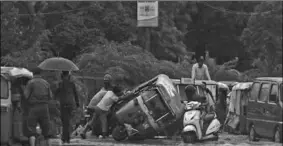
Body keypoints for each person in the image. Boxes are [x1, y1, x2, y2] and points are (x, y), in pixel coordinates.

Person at [24, 67, 53, 146]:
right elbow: (50, 96)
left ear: (33, 74)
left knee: (31, 129)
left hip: (33, 108)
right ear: (41, 74)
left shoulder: (31, 83)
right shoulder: (46, 83)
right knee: (47, 131)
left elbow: (25, 96)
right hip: (44, 108)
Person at [80, 74, 113, 138]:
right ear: (110, 81)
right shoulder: (106, 92)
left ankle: (83, 132)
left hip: (91, 106)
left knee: (93, 120)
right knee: (103, 119)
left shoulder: (103, 89)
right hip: (94, 107)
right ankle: (103, 135)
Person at [55, 71, 80, 143]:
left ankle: (65, 138)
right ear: (68, 76)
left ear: (62, 75)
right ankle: (67, 138)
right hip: (70, 104)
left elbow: (56, 93)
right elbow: (75, 94)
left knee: (64, 121)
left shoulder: (60, 84)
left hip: (63, 104)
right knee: (67, 121)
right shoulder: (72, 84)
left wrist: (55, 100)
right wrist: (77, 104)